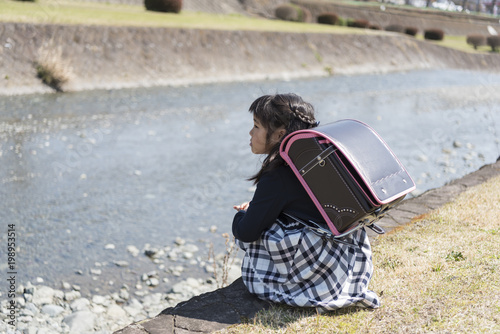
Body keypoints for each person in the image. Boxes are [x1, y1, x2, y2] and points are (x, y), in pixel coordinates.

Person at [232, 93, 380, 312]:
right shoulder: (315, 160)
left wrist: (242, 216)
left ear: (279, 134)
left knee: (256, 232)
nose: (251, 132)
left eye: (256, 126)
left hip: (321, 275)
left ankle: (289, 286)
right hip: (349, 263)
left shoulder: (277, 175)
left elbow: (246, 232)